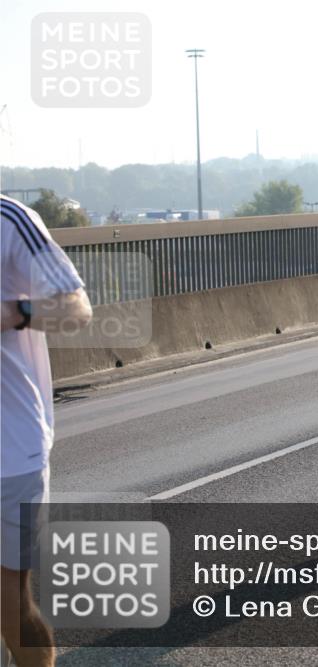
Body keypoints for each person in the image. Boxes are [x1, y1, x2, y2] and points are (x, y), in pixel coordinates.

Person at [2, 195, 92, 667]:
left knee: (9, 606)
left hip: (9, 452)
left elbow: (76, 309)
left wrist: (13, 311)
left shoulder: (10, 219)